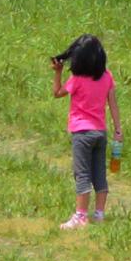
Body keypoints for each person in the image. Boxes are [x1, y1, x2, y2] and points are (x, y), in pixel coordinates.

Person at [51, 33, 120, 231]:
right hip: (100, 132)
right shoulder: (107, 77)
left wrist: (57, 72)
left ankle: (81, 216)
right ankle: (99, 213)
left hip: (81, 133)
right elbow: (113, 104)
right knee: (99, 173)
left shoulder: (77, 79)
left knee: (82, 174)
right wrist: (118, 130)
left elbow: (57, 93)